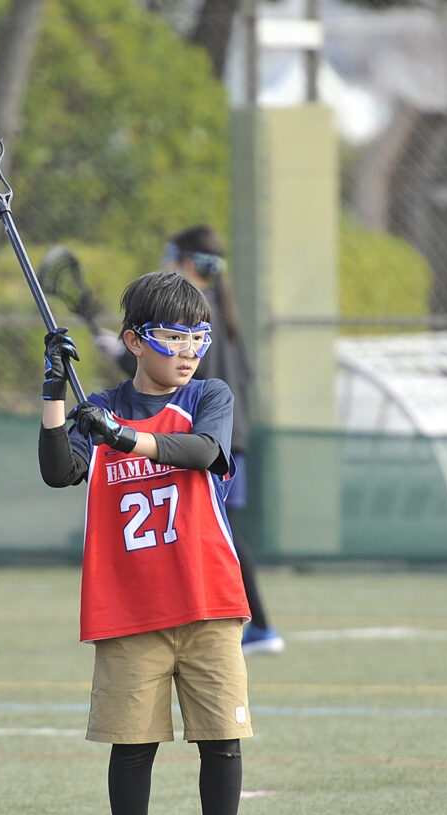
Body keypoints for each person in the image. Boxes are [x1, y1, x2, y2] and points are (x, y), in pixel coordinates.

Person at [37, 270, 258, 815]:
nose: (189, 351)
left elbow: (203, 450)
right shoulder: (100, 406)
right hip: (129, 607)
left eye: (198, 337)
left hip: (208, 601)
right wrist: (54, 392)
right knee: (132, 746)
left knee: (221, 740)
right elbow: (58, 470)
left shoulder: (208, 395)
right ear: (134, 341)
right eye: (173, 337)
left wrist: (125, 437)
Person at [162, 226, 284, 656]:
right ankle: (247, 624)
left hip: (212, 442)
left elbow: (175, 373)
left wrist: (124, 355)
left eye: (170, 256)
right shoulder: (223, 312)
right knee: (215, 531)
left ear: (187, 262)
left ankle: (257, 625)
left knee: (216, 534)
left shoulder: (196, 316)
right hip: (229, 440)